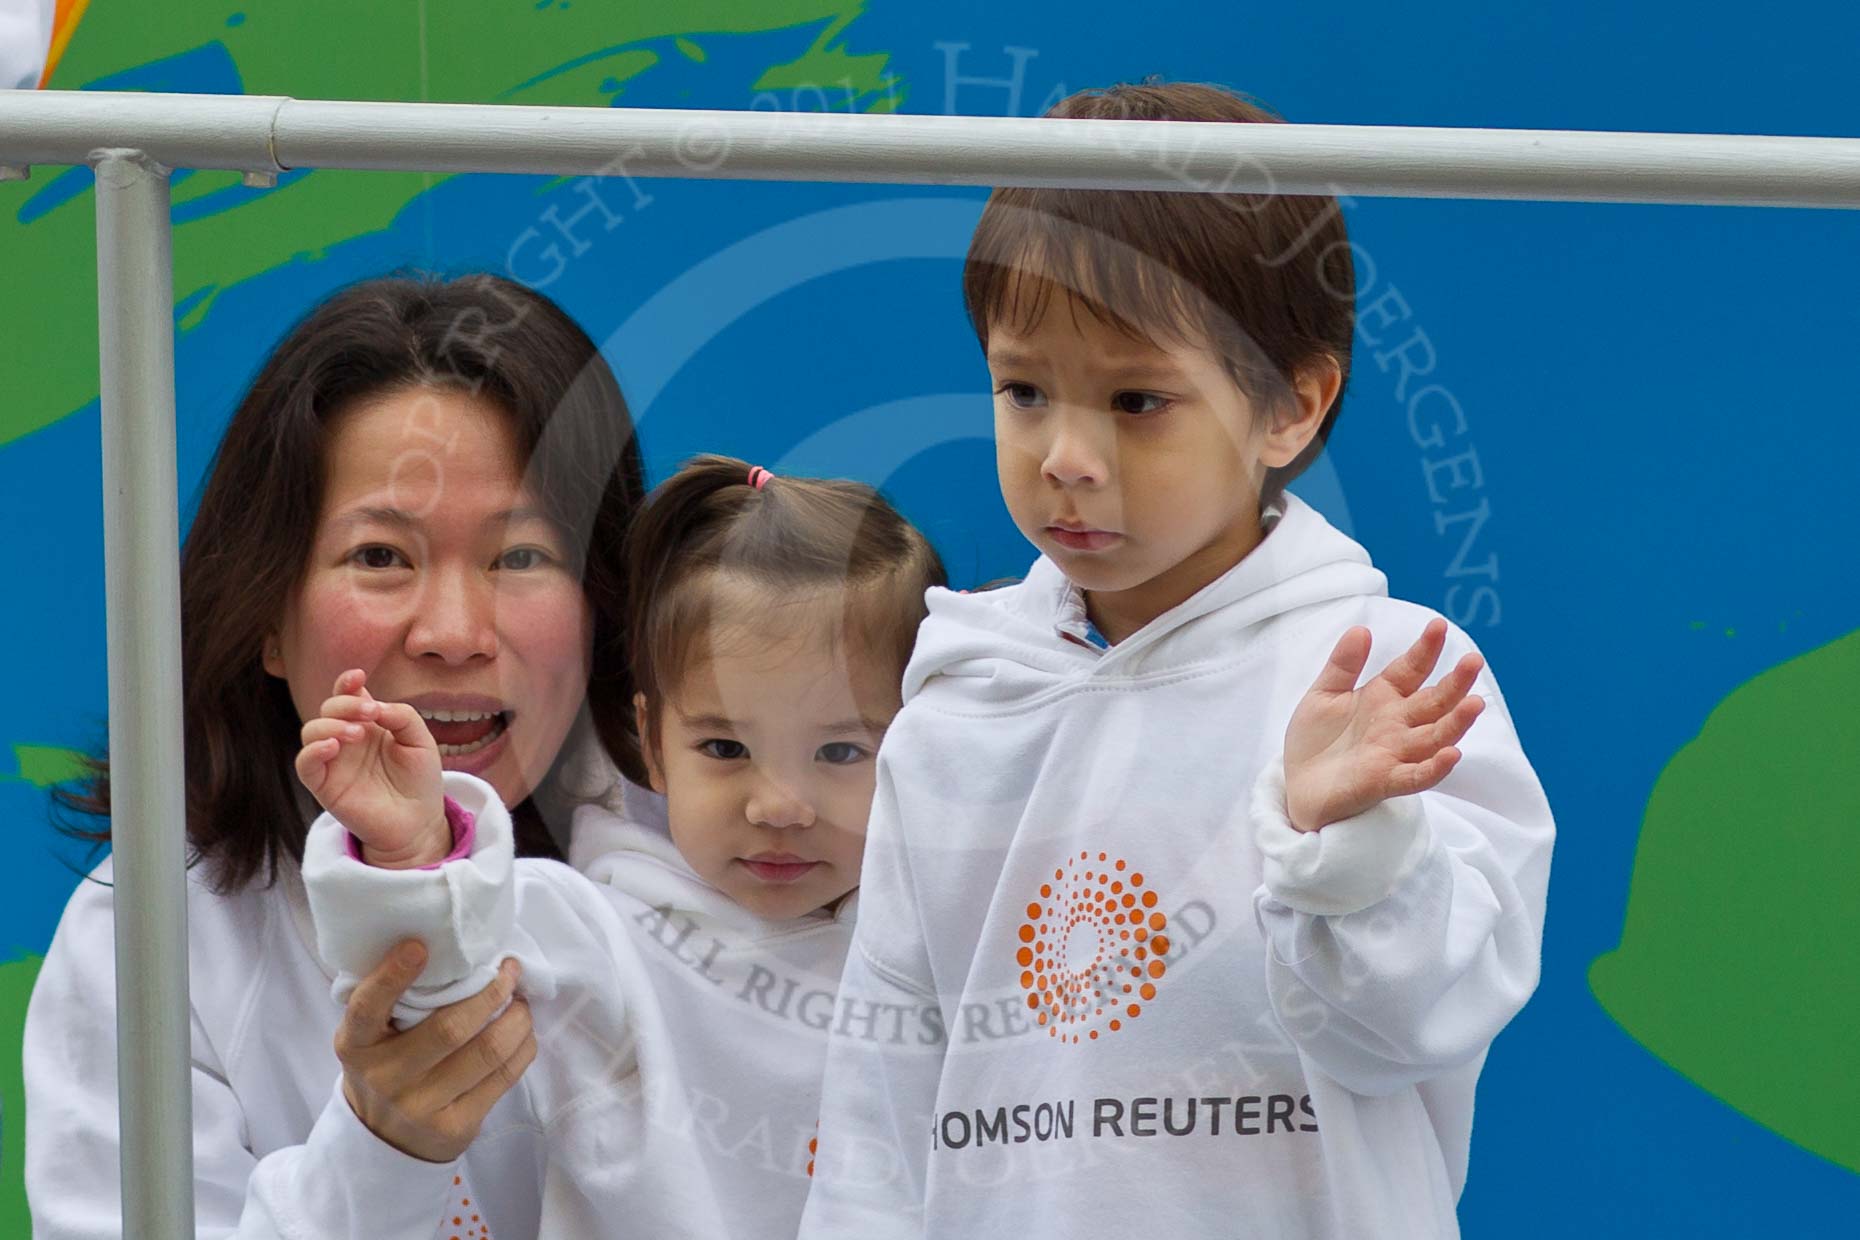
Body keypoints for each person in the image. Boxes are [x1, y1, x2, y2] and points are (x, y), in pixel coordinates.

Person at [797, 81, 1556, 1238]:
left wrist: (1347, 843)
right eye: (1024, 388)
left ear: (1292, 409)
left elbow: (1419, 1022)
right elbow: (881, 1103)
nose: (1066, 455)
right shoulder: (959, 702)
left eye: (1138, 399)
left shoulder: (1392, 680)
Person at [23, 273, 650, 1238]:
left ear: (601, 599)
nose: (453, 632)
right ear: (264, 616)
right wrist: (380, 1150)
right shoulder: (148, 937)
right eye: (381, 557)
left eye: (521, 556)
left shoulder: (718, 860)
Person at [279, 456, 946, 1238]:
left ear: (920, 743)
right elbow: (447, 965)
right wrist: (411, 843)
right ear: (654, 745)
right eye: (725, 749)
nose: (777, 807)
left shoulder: (947, 939)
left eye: (839, 753)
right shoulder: (595, 929)